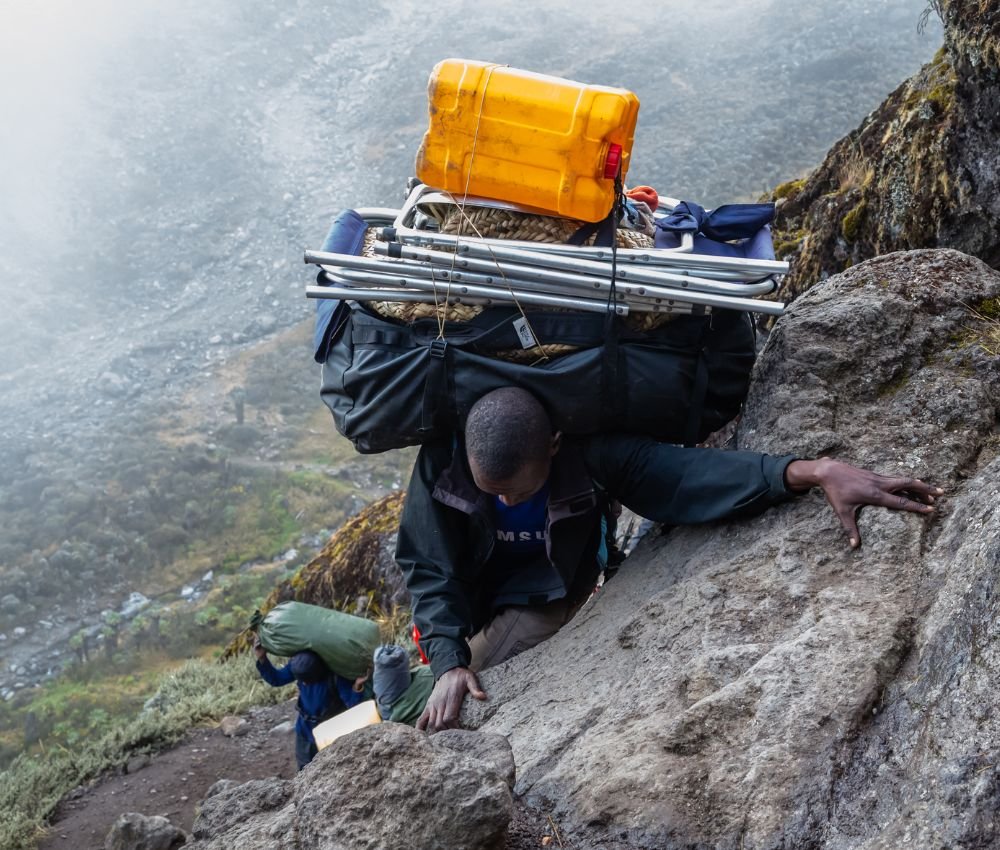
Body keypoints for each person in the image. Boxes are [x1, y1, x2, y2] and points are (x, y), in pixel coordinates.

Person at [395, 387, 943, 733]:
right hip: (471, 596)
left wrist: (812, 471)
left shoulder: (594, 454)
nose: (504, 503)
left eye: (516, 493)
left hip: (542, 594)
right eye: (492, 493)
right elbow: (430, 565)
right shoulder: (444, 463)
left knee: (461, 697)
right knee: (446, 672)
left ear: (555, 445)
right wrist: (447, 659)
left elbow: (687, 479)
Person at [253, 638, 362, 769]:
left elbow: (353, 705)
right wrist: (262, 659)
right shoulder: (299, 665)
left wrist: (357, 687)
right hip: (304, 731)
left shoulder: (335, 677)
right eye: (301, 680)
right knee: (303, 770)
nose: (303, 683)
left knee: (331, 770)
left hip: (330, 733)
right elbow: (277, 679)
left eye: (307, 681)